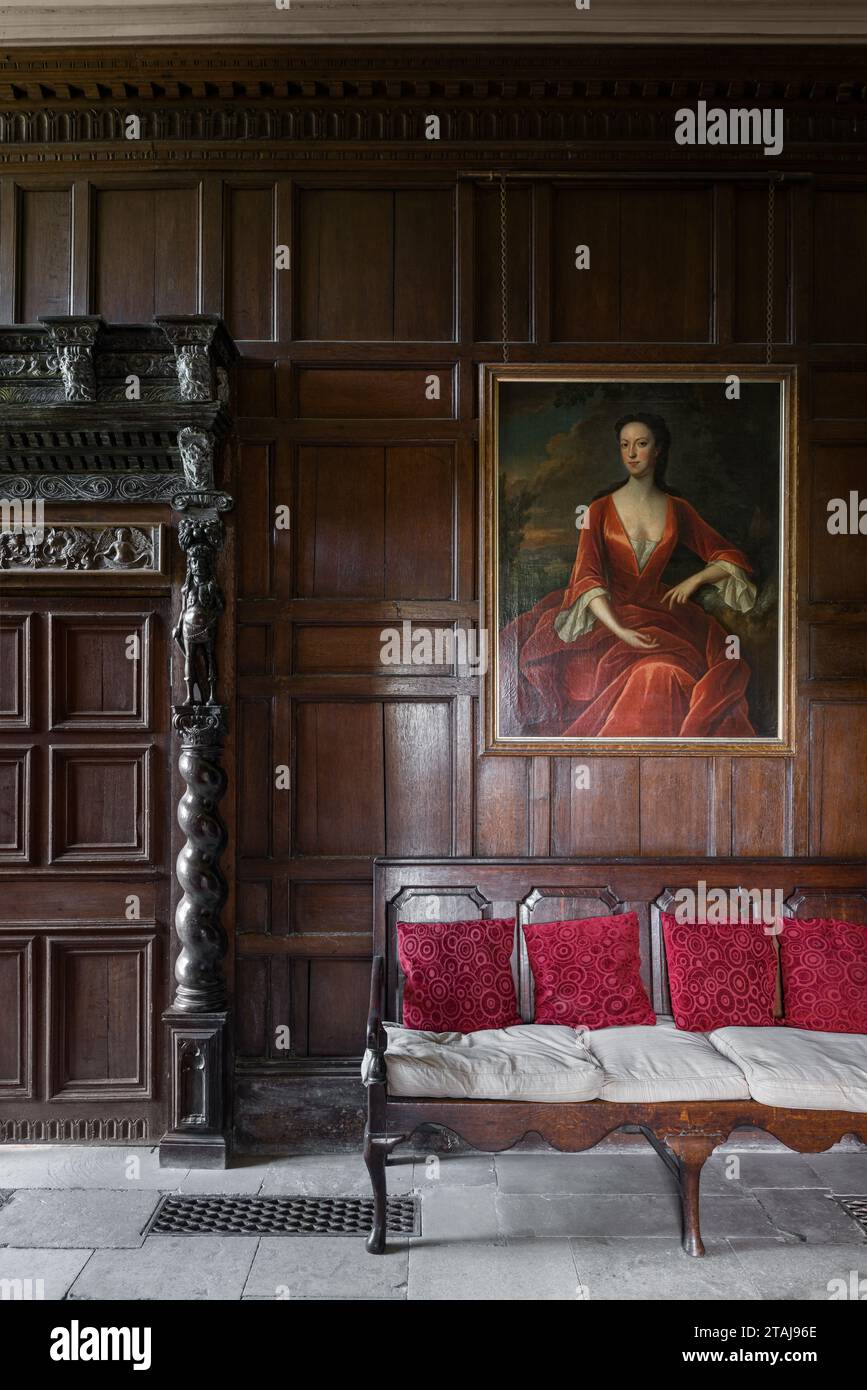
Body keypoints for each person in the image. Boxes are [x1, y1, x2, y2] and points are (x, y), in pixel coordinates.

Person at [500, 412, 758, 738]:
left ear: (658, 450)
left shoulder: (678, 509)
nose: (632, 454)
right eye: (625, 445)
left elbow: (728, 556)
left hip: (663, 621)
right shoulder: (599, 510)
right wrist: (621, 631)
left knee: (662, 675)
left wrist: (695, 580)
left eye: (641, 444)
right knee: (644, 678)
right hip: (605, 625)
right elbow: (587, 579)